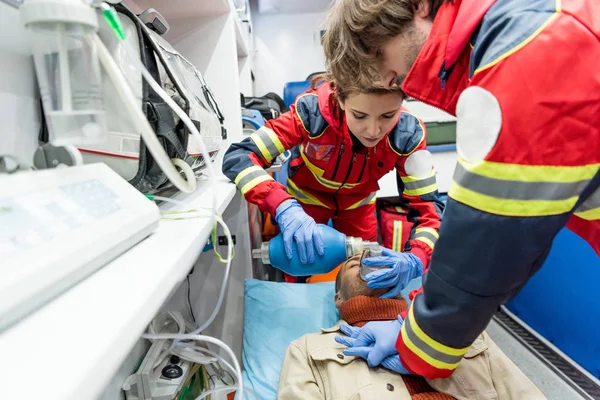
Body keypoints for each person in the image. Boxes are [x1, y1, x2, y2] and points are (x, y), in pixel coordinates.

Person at [321, 0, 600, 378]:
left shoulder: (527, 49)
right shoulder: (525, 28)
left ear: (418, 6)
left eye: (377, 52)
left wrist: (418, 329)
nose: (387, 79)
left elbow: (487, 239)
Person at [222, 73, 444, 285]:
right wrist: (282, 206)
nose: (373, 130)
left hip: (359, 206)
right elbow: (239, 157)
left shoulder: (408, 135)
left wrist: (418, 257)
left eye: (388, 116)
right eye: (360, 115)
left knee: (364, 277)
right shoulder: (311, 113)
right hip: (304, 205)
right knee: (300, 271)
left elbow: (430, 213)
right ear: (341, 99)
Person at [277, 255, 545, 400]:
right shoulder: (307, 349)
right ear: (338, 298)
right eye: (355, 264)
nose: (368, 262)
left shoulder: (458, 328)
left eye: (377, 259)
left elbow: (522, 392)